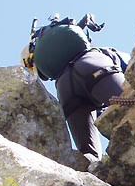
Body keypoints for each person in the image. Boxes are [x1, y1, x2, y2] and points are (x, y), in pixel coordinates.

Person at [21, 13, 129, 163]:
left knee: (88, 156)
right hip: (96, 67)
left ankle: (98, 178)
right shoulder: (99, 52)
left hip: (66, 91)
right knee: (133, 108)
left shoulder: (59, 77)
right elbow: (134, 64)